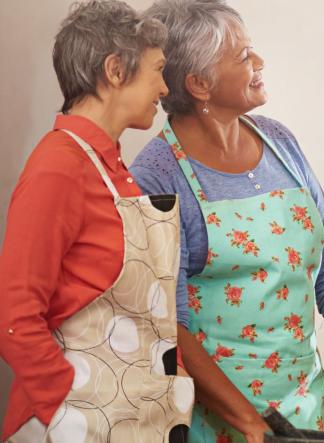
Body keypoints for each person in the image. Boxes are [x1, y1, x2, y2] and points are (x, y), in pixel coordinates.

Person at [129, 1, 324, 442]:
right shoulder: (157, 175)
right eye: (243, 56)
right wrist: (256, 428)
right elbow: (168, 328)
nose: (259, 63)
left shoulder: (279, 142)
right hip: (213, 422)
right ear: (199, 84)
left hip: (300, 414)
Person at [0, 1, 194, 442]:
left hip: (131, 422)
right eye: (157, 70)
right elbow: (14, 318)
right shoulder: (58, 167)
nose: (164, 87)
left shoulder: (112, 169)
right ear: (114, 70)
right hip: (79, 425)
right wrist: (68, 408)